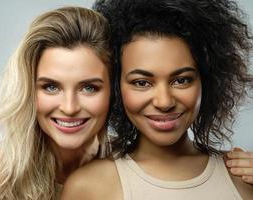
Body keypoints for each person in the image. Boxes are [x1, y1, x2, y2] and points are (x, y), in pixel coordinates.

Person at [61, 0, 253, 199]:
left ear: (207, 81)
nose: (164, 102)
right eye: (142, 83)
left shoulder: (242, 178)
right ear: (116, 86)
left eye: (181, 80)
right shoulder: (88, 188)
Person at [0, 6, 112, 200]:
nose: (69, 107)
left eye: (89, 88)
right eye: (51, 87)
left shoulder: (130, 172)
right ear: (28, 89)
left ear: (112, 90)